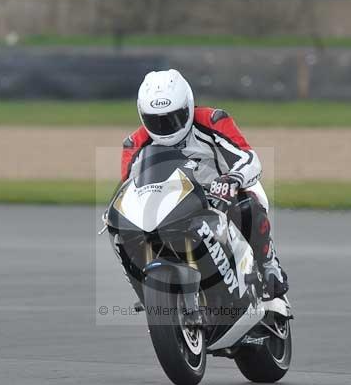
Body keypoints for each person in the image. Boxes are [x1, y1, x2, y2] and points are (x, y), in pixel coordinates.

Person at [120, 69, 288, 300]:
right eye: (156, 121)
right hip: (169, 208)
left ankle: (269, 266)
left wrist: (232, 179)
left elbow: (248, 158)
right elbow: (129, 186)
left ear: (188, 105)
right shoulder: (135, 143)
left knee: (249, 205)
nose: (166, 126)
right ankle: (146, 290)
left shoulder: (212, 120)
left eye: (173, 117)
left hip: (219, 199)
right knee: (125, 232)